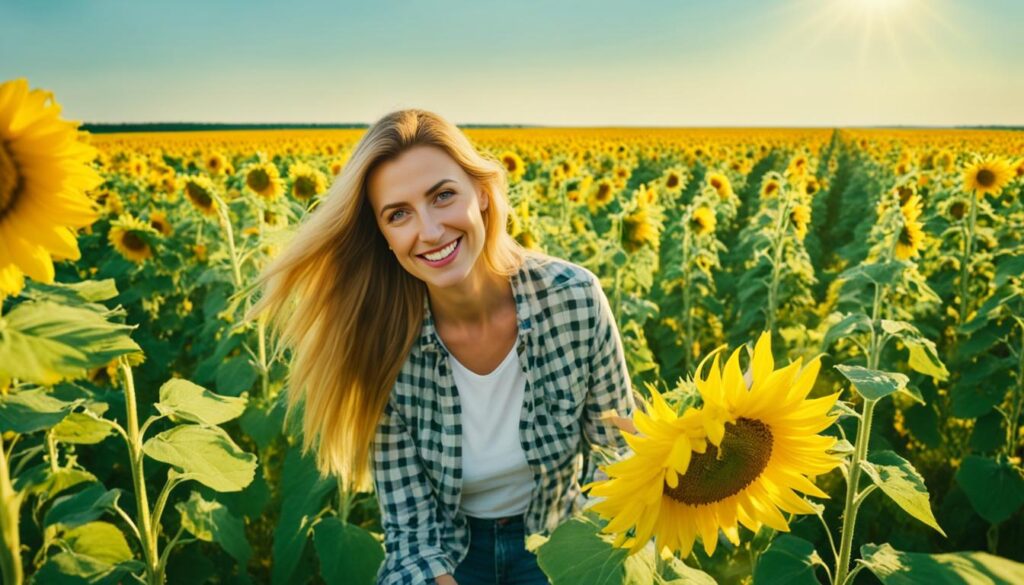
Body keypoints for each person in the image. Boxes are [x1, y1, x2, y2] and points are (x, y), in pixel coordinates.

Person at [247, 109, 636, 585]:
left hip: (561, 541)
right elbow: (413, 535)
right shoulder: (382, 341)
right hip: (450, 556)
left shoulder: (572, 299)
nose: (429, 231)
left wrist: (597, 563)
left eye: (443, 196)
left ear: (485, 196)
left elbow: (617, 459)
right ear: (384, 237)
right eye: (399, 214)